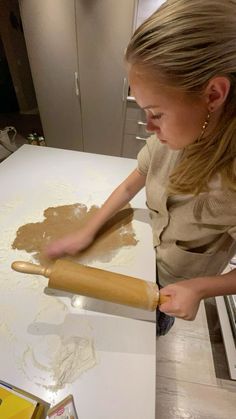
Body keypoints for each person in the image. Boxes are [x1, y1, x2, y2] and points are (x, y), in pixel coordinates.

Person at [46, 0, 236, 335]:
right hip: (146, 254)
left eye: (157, 113)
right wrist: (89, 229)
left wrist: (201, 289)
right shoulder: (171, 140)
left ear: (213, 94)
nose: (149, 127)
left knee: (150, 328)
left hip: (179, 280)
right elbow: (133, 182)